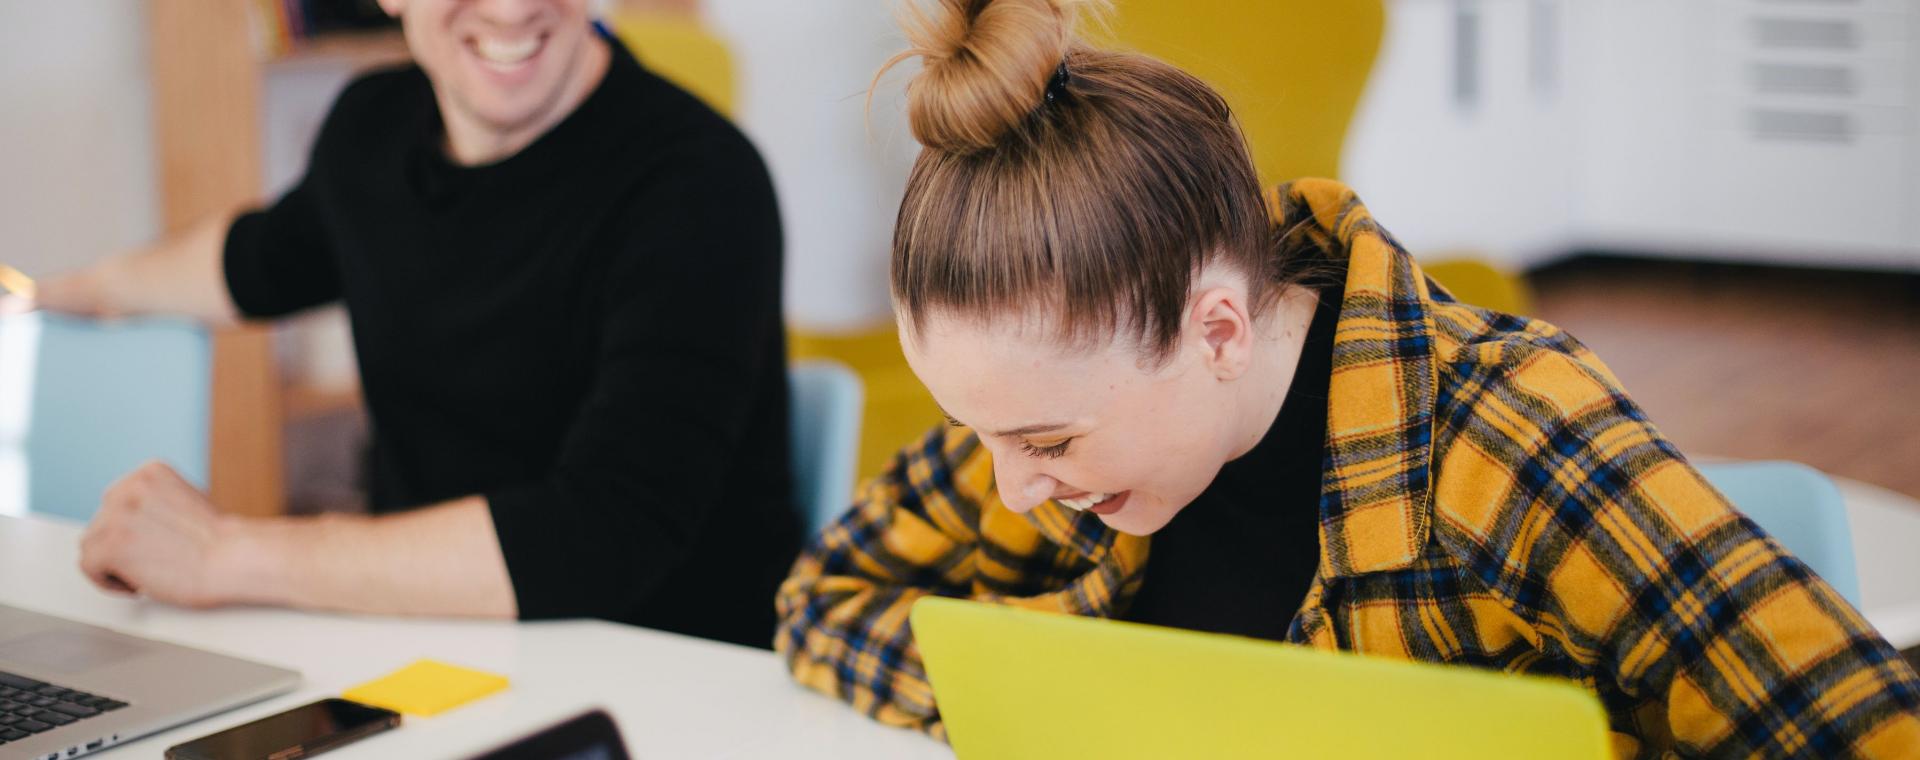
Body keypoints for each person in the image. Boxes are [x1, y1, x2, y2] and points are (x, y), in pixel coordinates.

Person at [774, 0, 1920, 753]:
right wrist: (1039, 697)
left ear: (1218, 328)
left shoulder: (1508, 436)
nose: (1011, 486)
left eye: (1049, 443)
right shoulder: (1051, 424)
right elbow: (821, 602)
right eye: (981, 433)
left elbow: (1860, 729)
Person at [17, 0, 799, 649]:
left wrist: (224, 553)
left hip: (662, 677)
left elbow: (601, 535)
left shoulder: (700, 183)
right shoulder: (374, 126)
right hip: (424, 647)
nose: (510, 7)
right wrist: (61, 290)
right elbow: (255, 260)